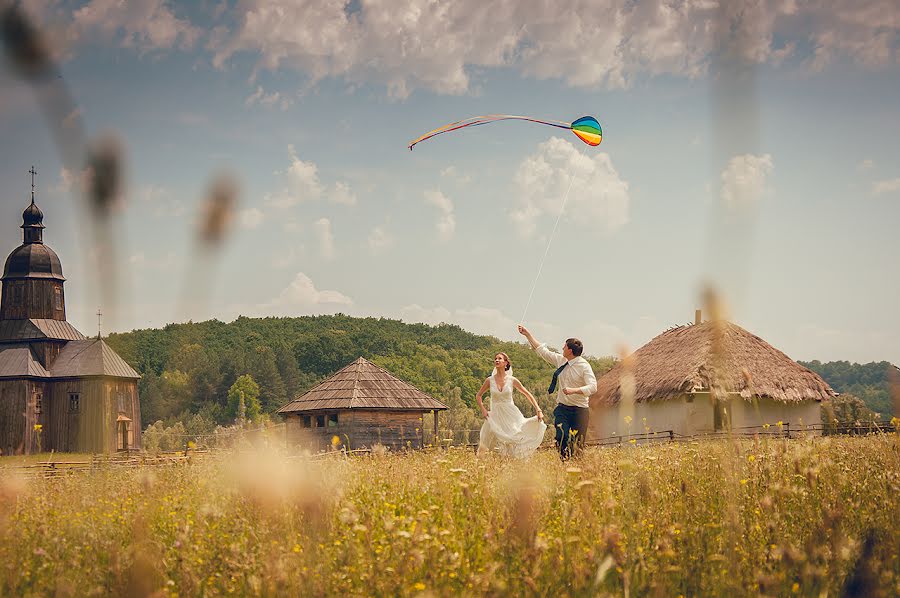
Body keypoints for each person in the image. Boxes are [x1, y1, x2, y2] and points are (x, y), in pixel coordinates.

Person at [517, 325, 597, 459]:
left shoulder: (584, 366)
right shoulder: (561, 360)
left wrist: (574, 390)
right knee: (562, 436)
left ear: (570, 350)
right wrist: (527, 335)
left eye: (564, 347)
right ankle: (564, 461)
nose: (562, 348)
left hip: (580, 411)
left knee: (578, 443)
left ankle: (576, 466)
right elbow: (542, 351)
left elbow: (593, 387)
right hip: (563, 409)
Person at [476, 352, 547, 458]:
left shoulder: (512, 380)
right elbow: (478, 395)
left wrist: (538, 409)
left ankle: (511, 463)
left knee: (512, 439)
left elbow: (527, 394)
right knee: (484, 440)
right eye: (495, 359)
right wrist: (483, 409)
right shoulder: (489, 380)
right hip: (495, 414)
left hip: (510, 413)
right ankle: (478, 465)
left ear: (506, 363)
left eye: (500, 358)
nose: (497, 360)